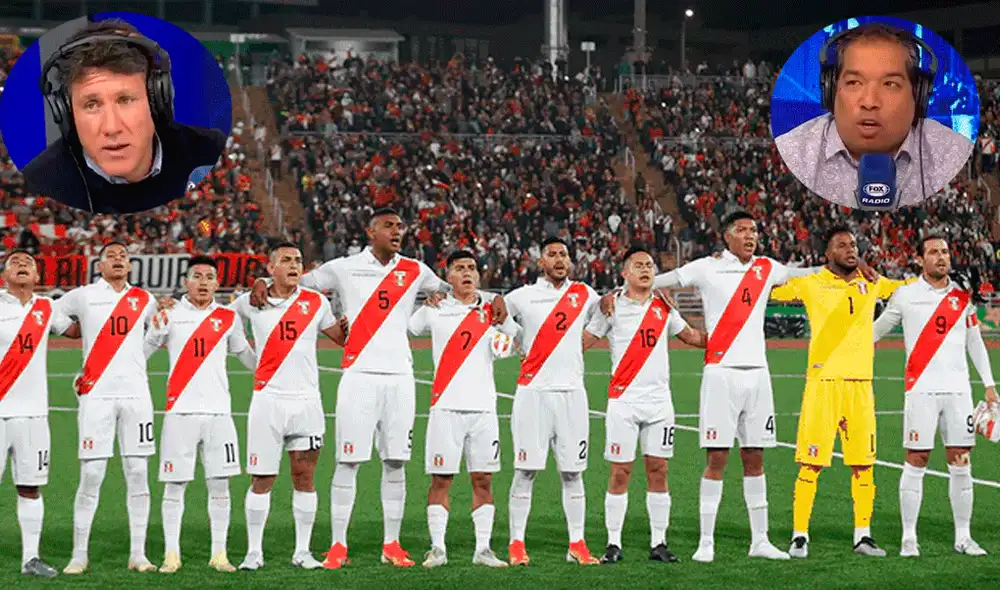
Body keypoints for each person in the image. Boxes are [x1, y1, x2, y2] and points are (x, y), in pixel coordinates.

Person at [246, 208, 505, 570]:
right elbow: (295, 282)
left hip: (400, 378)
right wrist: (259, 280)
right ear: (372, 231)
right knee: (348, 461)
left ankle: (391, 544)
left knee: (395, 463)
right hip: (359, 376)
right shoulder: (343, 267)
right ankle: (338, 545)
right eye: (389, 226)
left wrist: (495, 298)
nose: (397, 231)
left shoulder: (415, 270)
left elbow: (460, 289)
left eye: (401, 226)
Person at [621, 211, 824, 563]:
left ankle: (759, 540)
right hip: (720, 373)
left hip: (758, 374)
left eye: (754, 230)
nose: (750, 236)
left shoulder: (767, 267)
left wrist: (837, 270)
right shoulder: (706, 267)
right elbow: (654, 278)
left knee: (755, 456)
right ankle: (706, 542)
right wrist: (621, 292)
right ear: (727, 236)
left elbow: (803, 275)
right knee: (716, 457)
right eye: (743, 230)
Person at [770, 225, 913, 558]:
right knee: (810, 463)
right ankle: (800, 534)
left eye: (853, 245)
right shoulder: (810, 283)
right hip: (823, 386)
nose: (851, 250)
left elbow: (908, 290)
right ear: (827, 254)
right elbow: (767, 287)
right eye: (842, 245)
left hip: (861, 386)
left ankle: (863, 535)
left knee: (864, 465)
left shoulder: (872, 283)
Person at [22, 19, 226, 214]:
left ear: (156, 101)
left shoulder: (209, 150)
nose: (111, 127)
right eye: (91, 105)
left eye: (125, 100)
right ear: (66, 113)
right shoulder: (41, 182)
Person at [582, 247, 706, 565]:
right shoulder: (610, 307)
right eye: (638, 265)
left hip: (660, 403)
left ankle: (659, 542)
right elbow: (583, 341)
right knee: (620, 472)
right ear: (624, 273)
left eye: (650, 265)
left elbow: (691, 337)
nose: (646, 269)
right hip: (623, 401)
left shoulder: (663, 306)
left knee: (659, 471)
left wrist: (731, 335)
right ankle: (613, 543)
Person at [873, 235, 994, 557]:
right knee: (917, 459)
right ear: (919, 259)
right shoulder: (906, 295)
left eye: (944, 252)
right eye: (933, 252)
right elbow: (876, 330)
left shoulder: (961, 296)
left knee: (961, 462)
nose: (941, 257)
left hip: (959, 392)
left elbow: (974, 343)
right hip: (921, 391)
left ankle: (963, 537)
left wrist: (990, 384)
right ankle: (909, 537)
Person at [231, 242, 346, 571]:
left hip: (307, 402)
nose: (294, 265)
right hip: (268, 401)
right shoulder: (253, 300)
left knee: (305, 476)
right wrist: (248, 356)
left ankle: (302, 551)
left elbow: (340, 337)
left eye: (298, 260)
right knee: (262, 478)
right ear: (271, 268)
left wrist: (352, 320)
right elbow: (222, 319)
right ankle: (254, 552)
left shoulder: (316, 301)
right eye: (286, 260)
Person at [774, 23, 973, 208]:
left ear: (918, 94)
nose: (869, 102)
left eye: (890, 84)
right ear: (831, 90)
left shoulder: (952, 151)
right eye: (854, 83)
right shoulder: (793, 150)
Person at [142, 256, 258, 573]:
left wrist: (274, 364)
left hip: (220, 413)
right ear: (186, 282)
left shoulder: (227, 317)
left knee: (220, 486)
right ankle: (171, 555)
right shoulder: (170, 315)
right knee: (175, 485)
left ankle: (219, 554)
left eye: (210, 276)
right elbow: (142, 355)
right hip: (180, 412)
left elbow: (246, 356)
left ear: (217, 283)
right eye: (197, 276)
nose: (204, 282)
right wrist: (154, 333)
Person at [407, 250, 518, 569]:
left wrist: (501, 313)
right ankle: (438, 549)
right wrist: (429, 298)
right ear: (449, 276)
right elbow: (411, 328)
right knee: (441, 479)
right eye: (460, 268)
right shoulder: (435, 309)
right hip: (445, 408)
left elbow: (511, 341)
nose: (467, 273)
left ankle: (483, 549)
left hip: (484, 410)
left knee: (483, 479)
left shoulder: (491, 311)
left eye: (472, 268)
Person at [56, 241, 161, 574]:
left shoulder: (144, 299)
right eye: (110, 256)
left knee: (138, 473)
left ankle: (138, 554)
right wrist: (72, 331)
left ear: (130, 265)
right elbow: (51, 311)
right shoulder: (84, 295)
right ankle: (79, 554)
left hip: (136, 396)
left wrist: (132, 362)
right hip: (96, 396)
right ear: (98, 265)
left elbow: (156, 335)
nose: (118, 259)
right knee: (92, 473)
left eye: (123, 256)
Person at [504, 237, 601, 566]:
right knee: (526, 470)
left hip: (573, 394)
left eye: (564, 254)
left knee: (574, 473)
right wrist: (518, 340)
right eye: (552, 255)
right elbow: (496, 315)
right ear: (539, 262)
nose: (560, 260)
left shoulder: (585, 293)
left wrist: (581, 344)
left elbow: (607, 315)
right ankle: (516, 544)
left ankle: (577, 544)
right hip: (533, 393)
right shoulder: (522, 296)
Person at [0, 250, 80, 578]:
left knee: (30, 487)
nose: (22, 266)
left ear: (37, 277)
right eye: (14, 262)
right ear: (4, 274)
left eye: (28, 264)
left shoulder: (47, 308)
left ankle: (30, 559)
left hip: (33, 415)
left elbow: (75, 331)